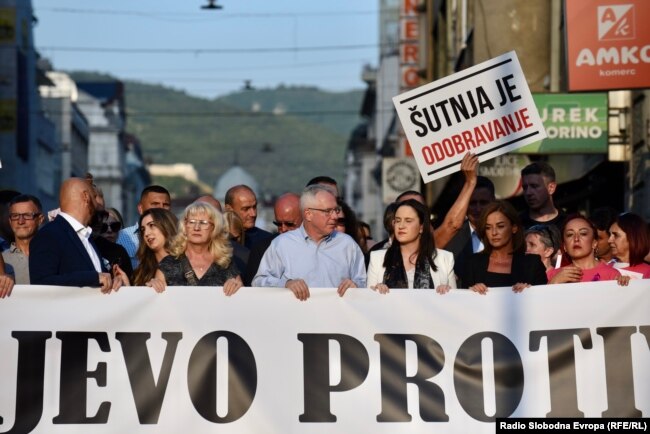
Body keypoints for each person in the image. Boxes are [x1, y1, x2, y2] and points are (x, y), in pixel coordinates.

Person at [252, 184, 366, 300]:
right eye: (328, 211)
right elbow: (259, 282)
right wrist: (286, 284)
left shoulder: (347, 244)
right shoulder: (282, 244)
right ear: (308, 214)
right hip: (296, 316)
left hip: (335, 316)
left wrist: (356, 285)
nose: (335, 216)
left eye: (335, 210)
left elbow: (362, 281)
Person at [29, 178, 126, 292]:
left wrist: (113, 282)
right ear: (86, 197)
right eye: (94, 197)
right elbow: (41, 283)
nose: (96, 204)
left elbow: (99, 278)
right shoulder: (48, 235)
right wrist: (92, 278)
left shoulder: (87, 237)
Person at [367, 199, 456, 294]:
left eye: (408, 221)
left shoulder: (445, 259)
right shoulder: (376, 258)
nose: (401, 226)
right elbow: (368, 301)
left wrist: (447, 292)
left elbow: (455, 302)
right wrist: (376, 291)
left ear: (421, 227)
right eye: (397, 221)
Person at [152, 202, 242, 294]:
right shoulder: (168, 264)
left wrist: (236, 287)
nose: (196, 227)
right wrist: (153, 287)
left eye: (203, 223)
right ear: (185, 227)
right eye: (192, 222)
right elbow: (157, 302)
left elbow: (241, 298)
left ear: (214, 228)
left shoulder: (225, 263)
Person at [461, 200, 548, 294]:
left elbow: (544, 300)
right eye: (488, 227)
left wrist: (530, 292)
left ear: (514, 228)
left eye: (500, 226)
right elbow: (463, 304)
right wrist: (471, 292)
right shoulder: (473, 263)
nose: (494, 233)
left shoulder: (532, 264)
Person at [445, 175, 496, 286]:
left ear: (493, 201)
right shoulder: (451, 239)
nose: (478, 209)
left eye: (483, 202)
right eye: (472, 203)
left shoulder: (507, 235)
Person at [548, 213, 628, 285]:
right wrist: (554, 283)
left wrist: (626, 285)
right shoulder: (555, 274)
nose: (576, 239)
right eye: (570, 234)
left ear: (594, 243)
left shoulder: (611, 274)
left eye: (583, 233)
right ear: (565, 246)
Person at [243, 192, 302, 286]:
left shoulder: (318, 244)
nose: (283, 229)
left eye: (289, 224)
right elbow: (253, 289)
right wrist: (284, 284)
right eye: (278, 224)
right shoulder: (262, 249)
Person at [117, 185, 171, 269]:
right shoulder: (121, 237)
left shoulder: (179, 238)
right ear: (140, 209)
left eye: (165, 205)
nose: (161, 209)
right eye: (155, 204)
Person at [2, 194, 44, 285]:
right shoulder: (2, 260)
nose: (20, 221)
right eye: (15, 216)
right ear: (10, 221)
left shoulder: (54, 255)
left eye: (27, 215)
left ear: (40, 219)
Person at [131, 208, 178, 288]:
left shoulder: (185, 262)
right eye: (143, 230)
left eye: (152, 225)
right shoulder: (142, 271)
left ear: (166, 226)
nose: (146, 233)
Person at [519, 161, 566, 230]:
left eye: (534, 186)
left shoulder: (567, 223)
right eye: (525, 187)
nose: (528, 192)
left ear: (551, 188)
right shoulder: (518, 224)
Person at [224, 184, 273, 250]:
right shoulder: (216, 241)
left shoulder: (268, 241)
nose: (253, 214)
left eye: (254, 207)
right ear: (229, 209)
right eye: (246, 209)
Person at [608, 212, 650, 278]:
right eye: (609, 235)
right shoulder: (604, 269)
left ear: (632, 238)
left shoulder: (648, 272)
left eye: (616, 235)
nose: (609, 240)